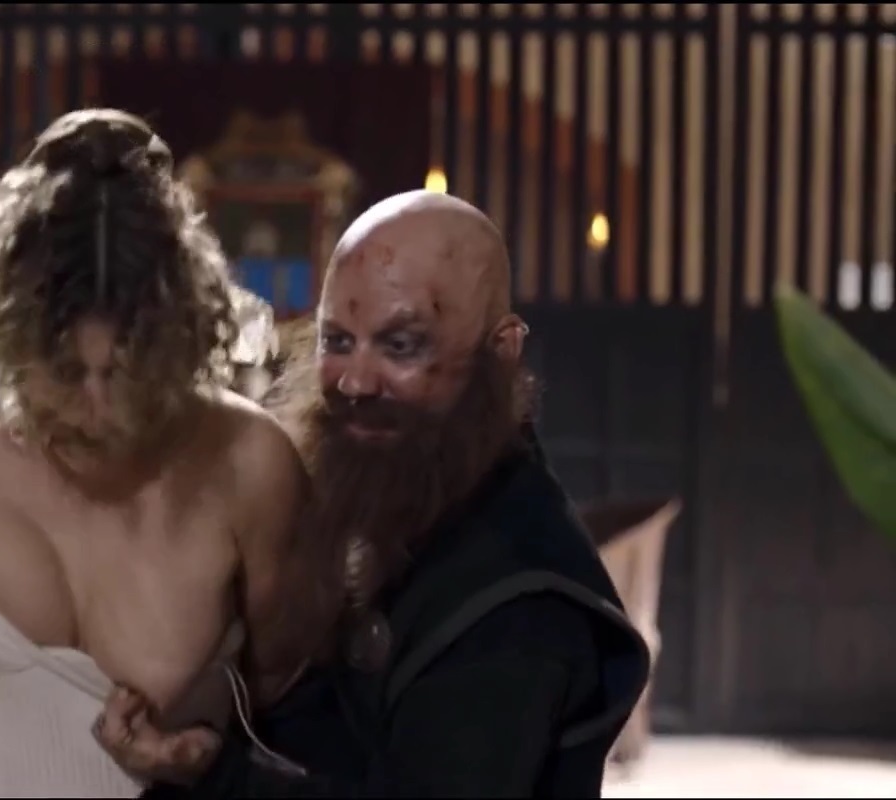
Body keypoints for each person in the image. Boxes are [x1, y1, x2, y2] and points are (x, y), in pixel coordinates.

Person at [92, 190, 652, 797]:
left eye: (401, 346)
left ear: (501, 351)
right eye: (337, 341)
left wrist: (214, 772)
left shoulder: (515, 598)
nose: (355, 381)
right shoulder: (398, 498)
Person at [0, 109, 314, 798]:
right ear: (12, 337)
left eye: (121, 371)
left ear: (175, 340)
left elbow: (300, 719)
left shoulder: (248, 460)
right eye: (63, 371)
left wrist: (211, 765)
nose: (95, 404)